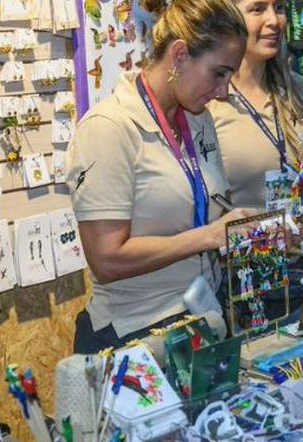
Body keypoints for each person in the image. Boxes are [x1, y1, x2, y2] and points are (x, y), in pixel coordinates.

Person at [66, 0, 255, 354]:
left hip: (202, 319)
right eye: (218, 73)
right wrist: (209, 236)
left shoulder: (198, 119)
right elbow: (106, 260)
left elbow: (206, 208)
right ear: (180, 55)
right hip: (137, 335)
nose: (224, 91)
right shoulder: (108, 128)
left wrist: (249, 230)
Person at [209, 0, 303, 208]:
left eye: (279, 7)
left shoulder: (296, 88)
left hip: (298, 228)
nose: (274, 20)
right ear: (227, 16)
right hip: (240, 229)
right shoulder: (208, 99)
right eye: (257, 9)